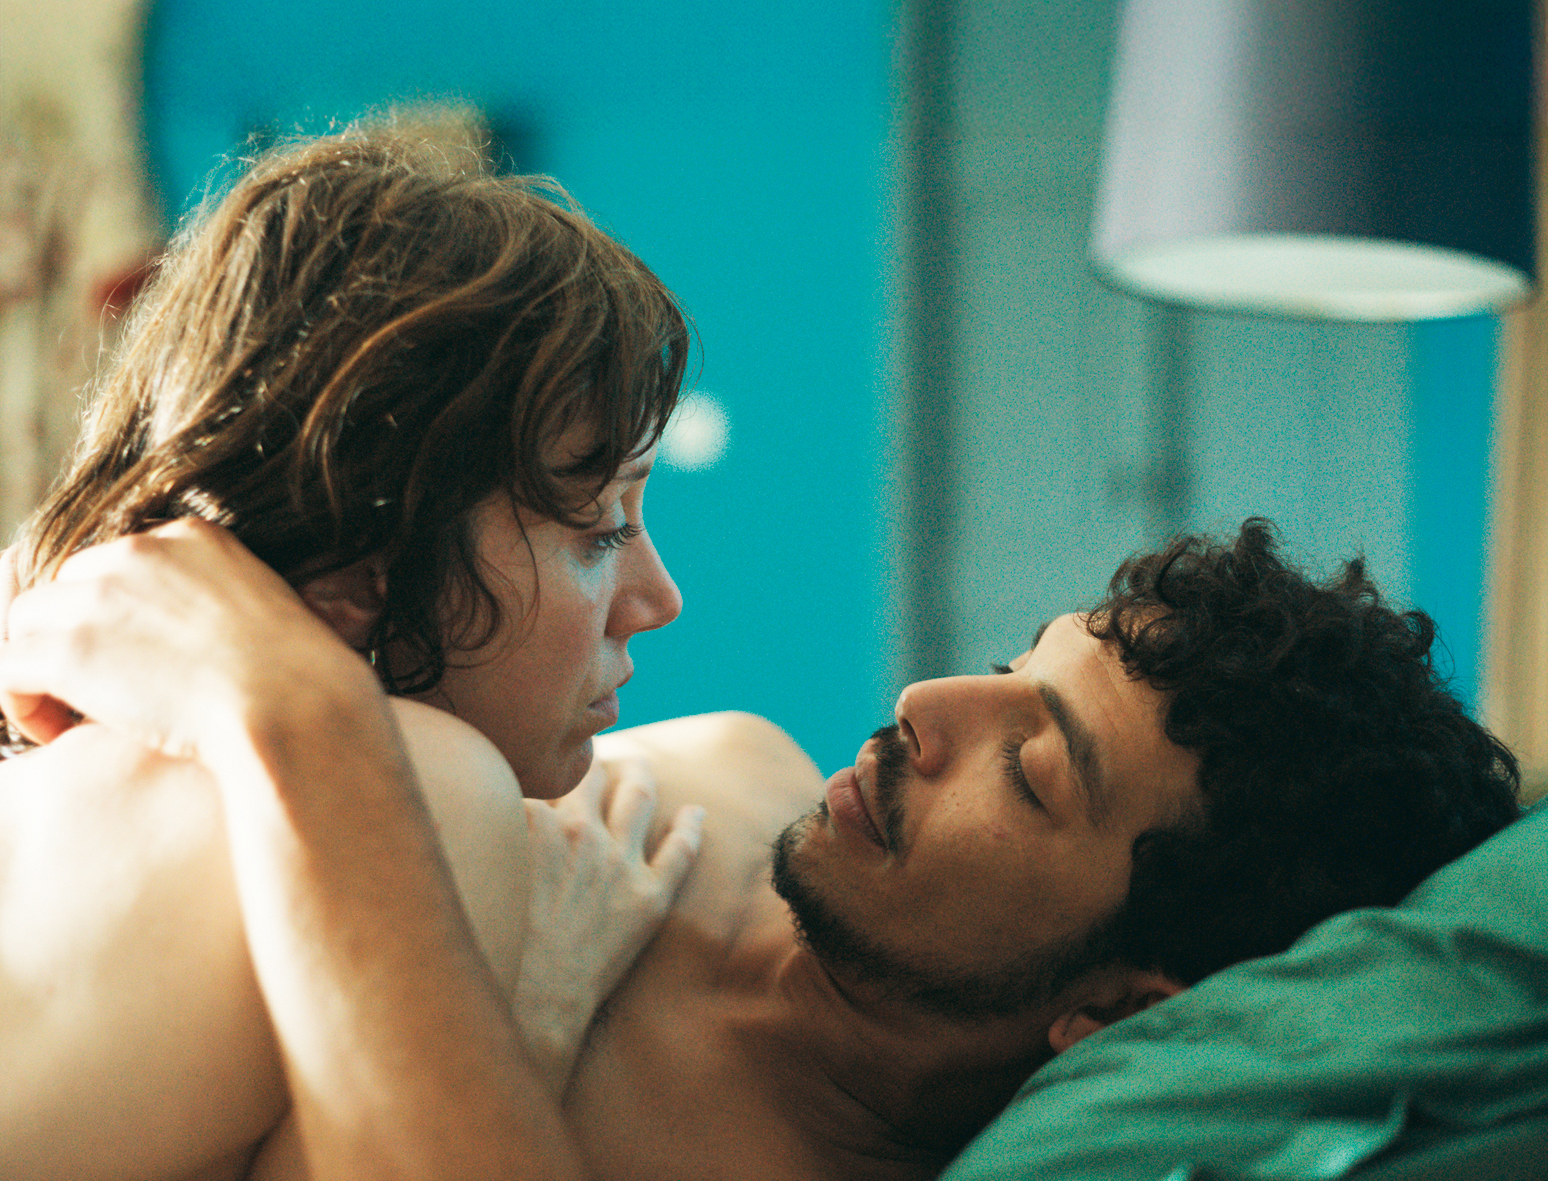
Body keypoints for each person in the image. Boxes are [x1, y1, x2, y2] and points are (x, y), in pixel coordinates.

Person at [0, 518, 1521, 1180]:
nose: (929, 705)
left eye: (1034, 768)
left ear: (1117, 1006)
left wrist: (527, 1018)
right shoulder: (735, 769)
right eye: (1011, 663)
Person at [0, 115, 710, 1180]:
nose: (658, 599)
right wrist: (536, 1014)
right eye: (599, 525)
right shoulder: (418, 779)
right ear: (361, 574)